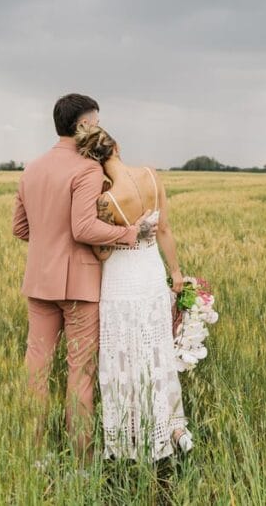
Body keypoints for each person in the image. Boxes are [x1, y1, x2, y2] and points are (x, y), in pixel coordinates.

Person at [11, 94, 158, 469]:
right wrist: (131, 233)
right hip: (78, 285)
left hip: (39, 283)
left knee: (37, 370)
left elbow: (20, 228)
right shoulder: (87, 171)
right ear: (81, 126)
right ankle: (82, 461)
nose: (98, 127)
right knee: (80, 373)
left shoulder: (32, 169)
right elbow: (84, 228)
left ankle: (36, 455)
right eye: (94, 122)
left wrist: (49, 241)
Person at [74, 124, 194, 460]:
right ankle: (172, 427)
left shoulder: (106, 201)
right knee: (157, 351)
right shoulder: (152, 176)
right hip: (152, 273)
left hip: (121, 281)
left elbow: (102, 253)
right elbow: (165, 229)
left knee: (124, 357)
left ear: (93, 163)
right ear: (117, 146)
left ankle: (131, 438)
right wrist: (176, 272)